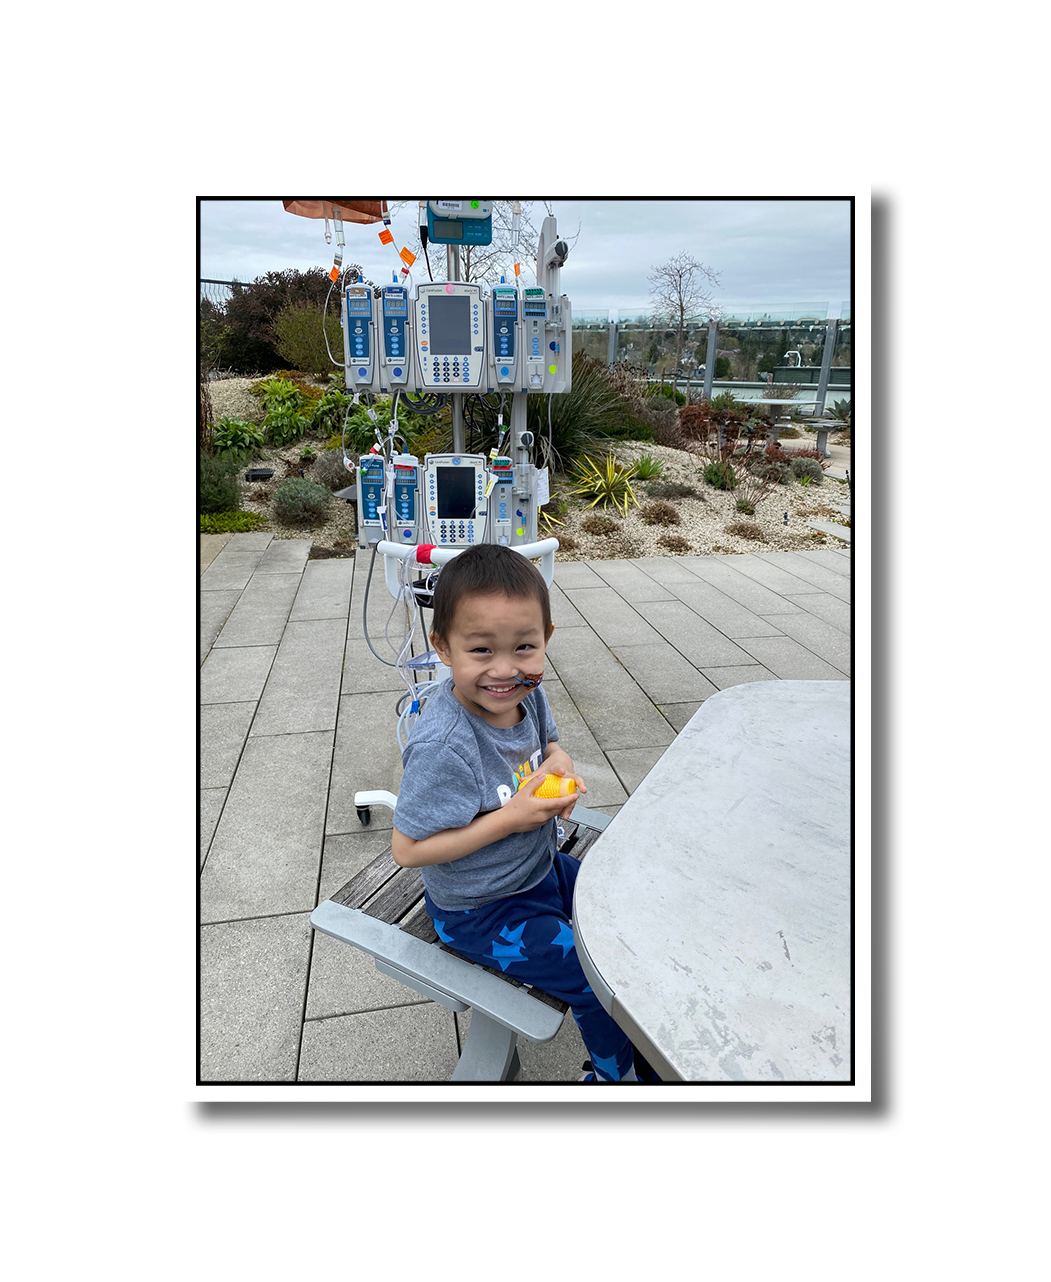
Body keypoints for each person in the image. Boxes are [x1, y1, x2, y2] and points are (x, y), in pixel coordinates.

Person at [391, 543, 647, 1083]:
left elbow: (552, 746)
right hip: (481, 910)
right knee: (593, 977)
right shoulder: (446, 746)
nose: (504, 671)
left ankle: (645, 1030)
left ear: (546, 639)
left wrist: (562, 766)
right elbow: (407, 849)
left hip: (537, 869)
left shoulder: (528, 696)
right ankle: (613, 1077)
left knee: (626, 908)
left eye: (524, 647)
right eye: (481, 650)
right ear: (442, 647)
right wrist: (512, 818)